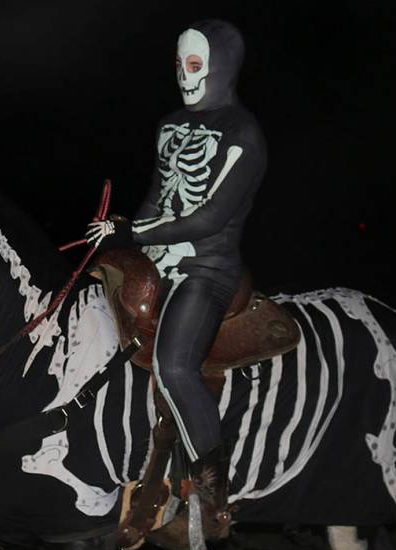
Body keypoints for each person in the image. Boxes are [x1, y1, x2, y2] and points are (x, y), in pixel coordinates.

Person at [87, 19, 267, 517]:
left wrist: (135, 234)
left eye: (194, 64)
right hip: (157, 255)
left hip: (206, 267)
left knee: (175, 367)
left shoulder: (244, 133)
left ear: (220, 66)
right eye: (178, 64)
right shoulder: (170, 124)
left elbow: (210, 217)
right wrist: (123, 231)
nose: (184, 75)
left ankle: (213, 488)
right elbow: (159, 196)